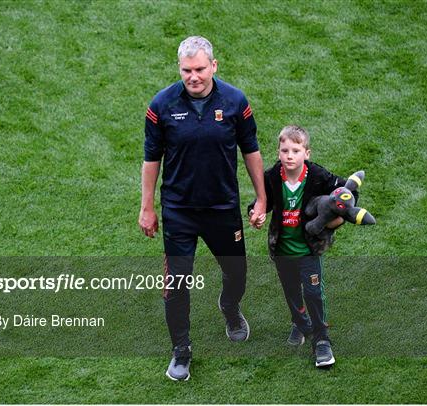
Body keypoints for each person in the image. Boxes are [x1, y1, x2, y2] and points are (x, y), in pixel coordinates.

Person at [139, 36, 267, 381]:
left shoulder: (236, 101)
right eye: (186, 70)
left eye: (199, 69)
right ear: (179, 69)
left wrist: (262, 197)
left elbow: (250, 149)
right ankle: (181, 350)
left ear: (213, 66)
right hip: (179, 211)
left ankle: (229, 306)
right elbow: (152, 159)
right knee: (177, 283)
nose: (193, 76)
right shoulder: (161, 105)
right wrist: (147, 207)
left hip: (223, 208)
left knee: (237, 273)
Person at [248, 125, 356, 368]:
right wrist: (256, 214)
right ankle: (300, 322)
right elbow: (260, 202)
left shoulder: (318, 176)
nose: (289, 155)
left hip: (308, 249)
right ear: (278, 153)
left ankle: (321, 339)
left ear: (306, 153)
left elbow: (346, 193)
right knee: (291, 291)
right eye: (284, 150)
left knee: (313, 293)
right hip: (283, 249)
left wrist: (340, 216)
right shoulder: (272, 176)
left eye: (295, 150)